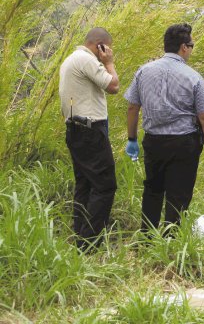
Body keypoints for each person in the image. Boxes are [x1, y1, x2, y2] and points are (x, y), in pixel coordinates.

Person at [124, 23, 204, 236]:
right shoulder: (193, 76)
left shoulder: (143, 71)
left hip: (153, 141)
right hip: (183, 143)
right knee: (179, 195)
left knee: (152, 190)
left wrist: (132, 138)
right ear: (184, 47)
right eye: (191, 45)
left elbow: (132, 106)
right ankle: (171, 240)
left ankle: (147, 237)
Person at [59, 27, 120, 250]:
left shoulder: (70, 60)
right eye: (106, 49)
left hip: (75, 129)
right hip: (90, 130)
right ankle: (89, 243)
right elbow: (113, 86)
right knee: (105, 186)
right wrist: (109, 62)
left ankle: (80, 236)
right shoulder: (87, 59)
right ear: (100, 46)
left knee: (85, 184)